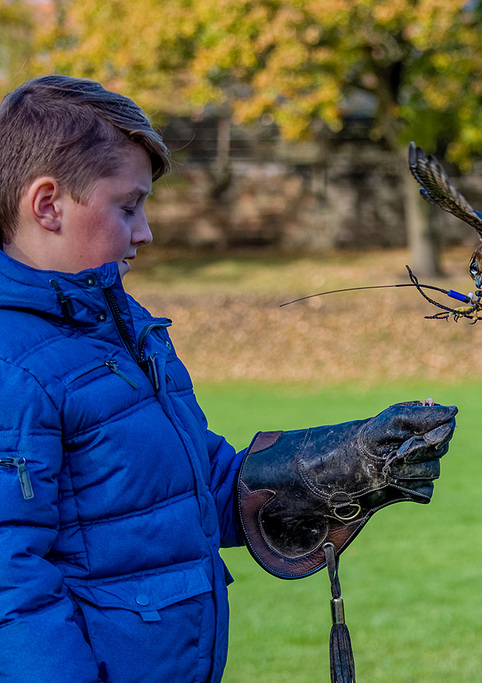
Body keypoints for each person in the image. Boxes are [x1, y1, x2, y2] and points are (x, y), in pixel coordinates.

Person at [0, 74, 458, 683]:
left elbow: (182, 493)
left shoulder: (123, 327)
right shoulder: (15, 366)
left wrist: (330, 469)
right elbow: (11, 587)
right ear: (48, 204)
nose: (145, 231)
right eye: (128, 206)